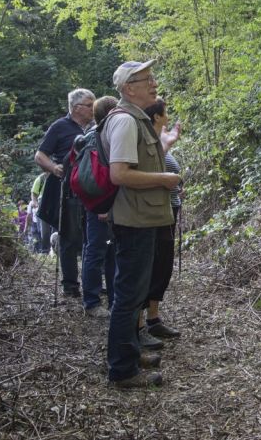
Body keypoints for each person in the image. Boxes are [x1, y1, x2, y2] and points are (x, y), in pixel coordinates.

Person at [100, 60, 180, 389]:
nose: (154, 84)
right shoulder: (126, 122)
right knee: (129, 296)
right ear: (129, 89)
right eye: (147, 79)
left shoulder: (136, 119)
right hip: (133, 221)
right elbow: (119, 174)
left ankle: (129, 354)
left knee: (133, 295)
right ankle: (122, 370)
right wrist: (165, 179)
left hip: (140, 218)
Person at [35, 89, 95, 298]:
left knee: (93, 237)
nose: (93, 108)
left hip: (93, 189)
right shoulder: (59, 127)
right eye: (89, 104)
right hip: (67, 190)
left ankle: (92, 282)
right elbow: (40, 155)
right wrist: (54, 168)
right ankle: (70, 284)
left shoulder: (96, 127)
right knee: (68, 237)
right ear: (76, 107)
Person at [140, 97, 183, 341]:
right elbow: (148, 174)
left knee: (162, 266)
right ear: (156, 116)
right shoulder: (149, 142)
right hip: (152, 214)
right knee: (150, 266)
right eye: (165, 112)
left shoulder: (158, 142)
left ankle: (153, 318)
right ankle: (140, 324)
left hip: (166, 212)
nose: (167, 116)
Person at [81, 95, 121, 318]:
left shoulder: (93, 135)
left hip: (99, 203)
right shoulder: (98, 137)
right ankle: (93, 302)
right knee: (97, 251)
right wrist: (102, 206)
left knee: (108, 251)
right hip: (101, 204)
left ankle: (112, 300)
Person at [30, 172, 52, 254]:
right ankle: (45, 250)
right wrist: (35, 203)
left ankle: (55, 249)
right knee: (44, 229)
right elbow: (34, 193)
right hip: (43, 202)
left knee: (55, 228)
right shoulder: (41, 178)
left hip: (54, 202)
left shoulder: (58, 176)